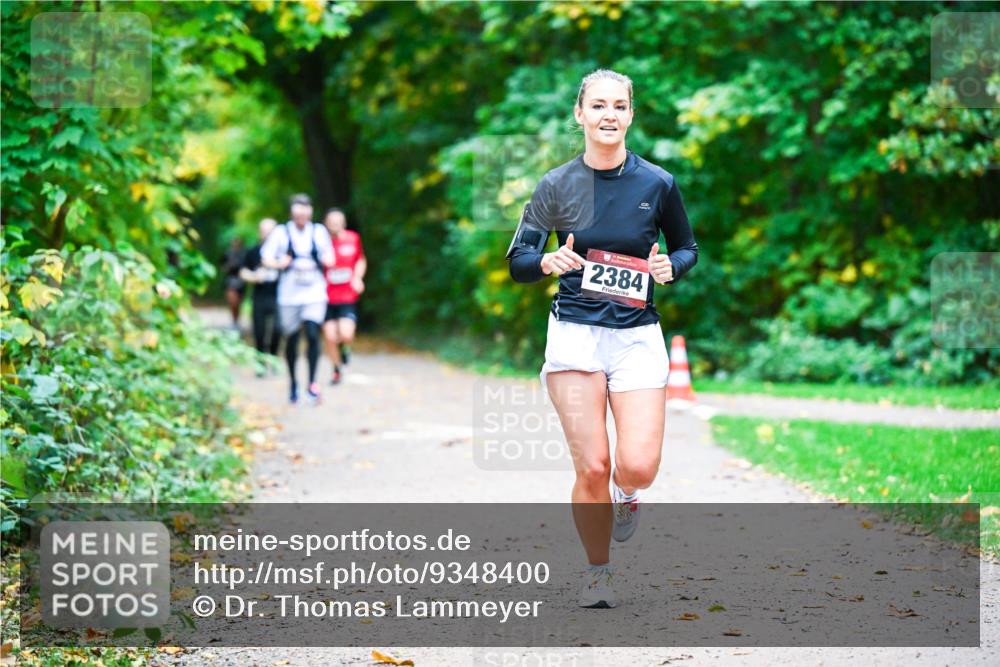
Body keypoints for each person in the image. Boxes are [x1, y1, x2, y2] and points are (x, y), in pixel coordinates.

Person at [507, 69, 698, 608]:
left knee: (635, 465)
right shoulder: (555, 185)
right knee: (591, 464)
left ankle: (628, 494)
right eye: (598, 105)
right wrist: (545, 260)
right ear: (580, 114)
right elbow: (518, 260)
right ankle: (597, 572)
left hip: (636, 337)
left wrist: (669, 268)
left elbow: (688, 247)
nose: (608, 115)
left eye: (619, 105)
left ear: (630, 114)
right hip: (574, 335)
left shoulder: (657, 183)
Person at [260, 194, 334, 404]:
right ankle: (293, 383)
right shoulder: (281, 233)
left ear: (310, 211)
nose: (302, 214)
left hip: (314, 293)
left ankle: (312, 383)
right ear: (292, 212)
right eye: (297, 210)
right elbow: (265, 258)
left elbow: (330, 256)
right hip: (289, 295)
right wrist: (279, 263)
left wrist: (326, 260)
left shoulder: (319, 232)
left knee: (312, 334)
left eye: (305, 209)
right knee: (291, 339)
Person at [321, 208, 366, 385]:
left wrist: (357, 277)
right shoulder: (321, 243)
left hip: (347, 296)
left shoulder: (353, 239)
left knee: (346, 334)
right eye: (331, 222)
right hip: (326, 298)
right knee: (330, 337)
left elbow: (361, 259)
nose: (335, 225)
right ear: (326, 223)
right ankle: (336, 370)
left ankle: (345, 349)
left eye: (338, 221)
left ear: (344, 223)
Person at [240, 218, 281, 372]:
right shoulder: (253, 251)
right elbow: (242, 272)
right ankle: (260, 362)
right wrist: (254, 277)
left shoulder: (281, 252)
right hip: (259, 295)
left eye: (270, 231)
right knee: (259, 330)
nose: (267, 234)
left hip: (278, 295)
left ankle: (274, 358)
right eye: (264, 231)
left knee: (278, 328)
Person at [221, 237, 246, 331]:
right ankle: (234, 321)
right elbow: (222, 266)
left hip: (241, 281)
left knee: (238, 303)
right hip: (230, 280)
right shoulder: (227, 253)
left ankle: (236, 321)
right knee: (233, 302)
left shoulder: (243, 254)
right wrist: (228, 267)